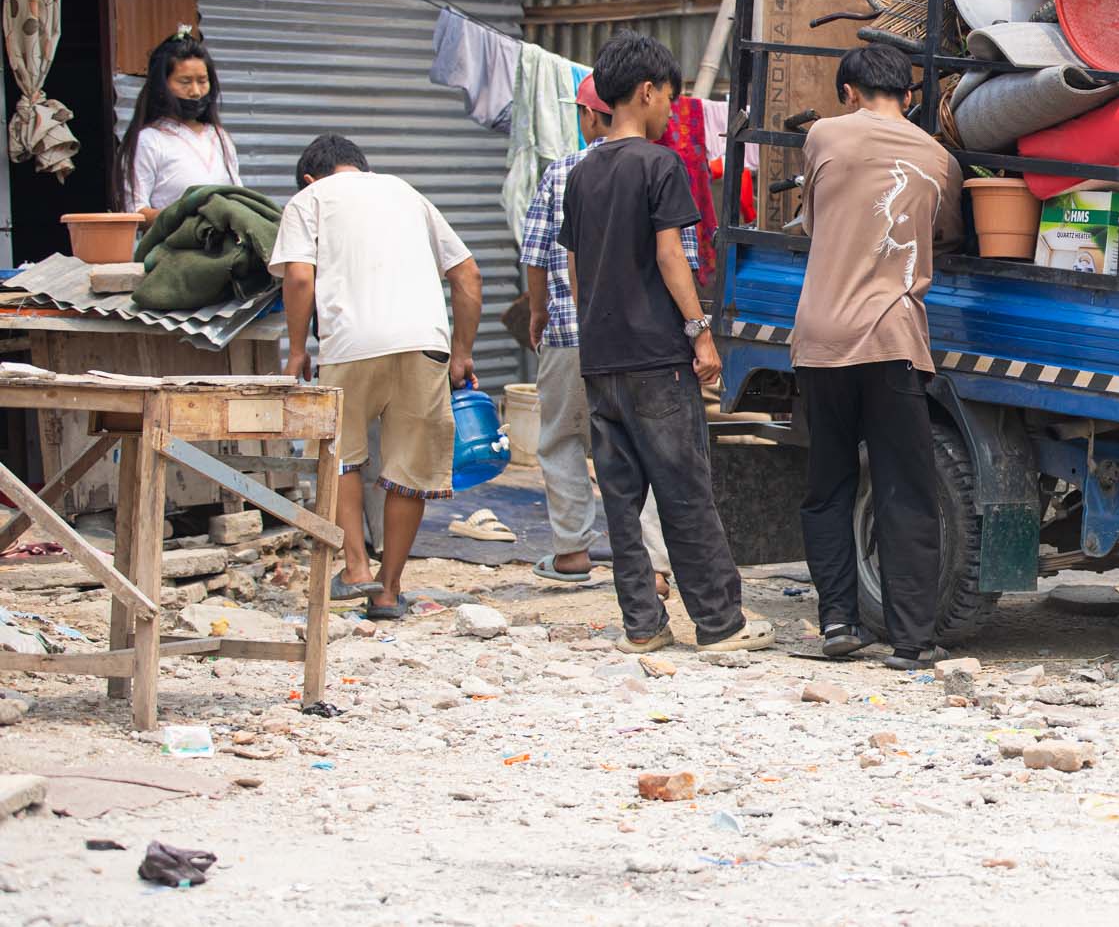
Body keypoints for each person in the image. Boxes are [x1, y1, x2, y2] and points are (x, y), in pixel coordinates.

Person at [560, 33, 768, 656]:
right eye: (670, 99)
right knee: (684, 490)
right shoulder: (659, 164)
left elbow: (574, 270)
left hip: (600, 360)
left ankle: (643, 627)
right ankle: (719, 623)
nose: (671, 111)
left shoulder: (581, 171)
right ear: (646, 92)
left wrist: (595, 328)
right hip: (656, 357)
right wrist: (698, 330)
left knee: (622, 502)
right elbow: (670, 254)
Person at [791, 45, 964, 670]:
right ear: (908, 96)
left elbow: (813, 224)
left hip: (821, 339)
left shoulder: (823, 136)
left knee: (828, 487)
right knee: (905, 490)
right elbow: (945, 235)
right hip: (892, 340)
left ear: (849, 92)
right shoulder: (939, 157)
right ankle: (911, 640)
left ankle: (837, 620)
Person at [270, 135, 481, 620]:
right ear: (362, 168)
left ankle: (357, 568)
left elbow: (299, 278)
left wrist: (299, 349)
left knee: (342, 453)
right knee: (409, 469)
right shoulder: (407, 193)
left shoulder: (309, 200)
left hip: (350, 342)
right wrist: (462, 352)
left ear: (309, 177)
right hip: (424, 341)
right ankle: (388, 592)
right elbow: (468, 275)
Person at [521, 74, 686, 595]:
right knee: (651, 447)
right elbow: (681, 257)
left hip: (576, 332)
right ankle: (654, 563)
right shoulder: (661, 164)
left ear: (596, 114)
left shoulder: (566, 171)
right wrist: (693, 329)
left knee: (562, 440)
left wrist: (540, 312)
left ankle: (572, 549)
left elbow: (539, 252)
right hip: (646, 342)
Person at [116, 28, 241, 219]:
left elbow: (239, 200)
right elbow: (135, 212)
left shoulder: (219, 137)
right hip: (174, 248)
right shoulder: (149, 140)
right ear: (162, 85)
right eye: (185, 81)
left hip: (223, 248)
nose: (196, 91)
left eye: (202, 81)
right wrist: (186, 217)